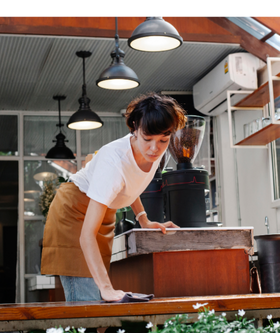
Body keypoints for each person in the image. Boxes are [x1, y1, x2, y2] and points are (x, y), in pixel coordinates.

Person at [40, 93, 187, 302]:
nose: (155, 148)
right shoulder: (113, 162)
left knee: (100, 302)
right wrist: (107, 288)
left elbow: (129, 185)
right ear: (134, 128)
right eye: (147, 139)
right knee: (88, 299)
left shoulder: (152, 150)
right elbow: (86, 236)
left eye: (164, 139)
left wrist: (143, 219)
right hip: (73, 211)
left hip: (103, 211)